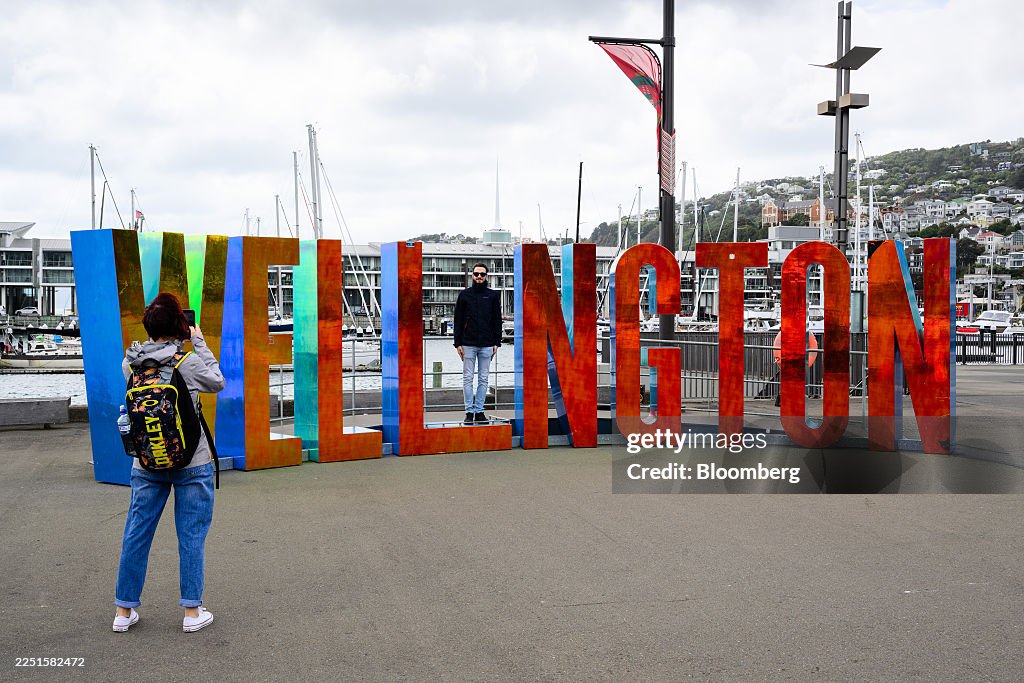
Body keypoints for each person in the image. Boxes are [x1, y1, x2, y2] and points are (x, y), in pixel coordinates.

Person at [112, 292, 225, 633]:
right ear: (181, 325)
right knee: (190, 535)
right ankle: (192, 613)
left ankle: (123, 611)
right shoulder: (186, 362)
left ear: (148, 326)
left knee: (136, 534)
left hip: (146, 463)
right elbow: (217, 381)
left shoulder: (130, 362)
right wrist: (199, 342)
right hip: (192, 461)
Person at [454, 263, 502, 424]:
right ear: (472, 276)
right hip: (467, 344)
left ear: (486, 276)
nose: (479, 277)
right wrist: (457, 343)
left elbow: (497, 320)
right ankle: (469, 411)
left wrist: (497, 342)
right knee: (467, 378)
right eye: (476, 274)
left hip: (488, 344)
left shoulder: (493, 296)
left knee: (483, 379)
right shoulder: (464, 295)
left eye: (482, 274)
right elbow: (458, 320)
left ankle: (480, 411)